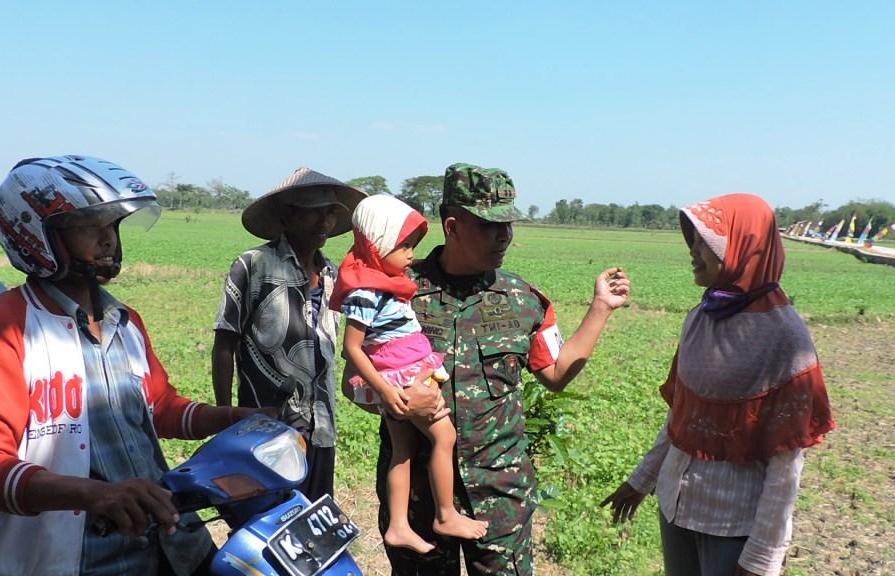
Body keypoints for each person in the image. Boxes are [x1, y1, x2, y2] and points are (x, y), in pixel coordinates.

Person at [0, 155, 264, 576]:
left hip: (171, 542)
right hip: (75, 560)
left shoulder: (123, 321)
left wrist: (235, 418)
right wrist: (93, 494)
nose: (109, 239)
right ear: (38, 235)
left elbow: (159, 409)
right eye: (91, 227)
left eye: (114, 225)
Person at [344, 163, 630, 575]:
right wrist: (403, 401)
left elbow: (557, 373)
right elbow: (352, 382)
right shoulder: (397, 290)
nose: (504, 237)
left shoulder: (523, 300)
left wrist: (601, 307)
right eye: (489, 226)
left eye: (508, 226)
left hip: (499, 499)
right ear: (453, 226)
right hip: (419, 502)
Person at [600, 193, 836, 576]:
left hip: (733, 528)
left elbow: (787, 460)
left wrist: (763, 557)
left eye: (705, 243)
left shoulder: (785, 337)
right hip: (676, 509)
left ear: (747, 245)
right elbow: (682, 418)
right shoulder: (701, 317)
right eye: (691, 241)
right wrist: (642, 480)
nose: (693, 252)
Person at [330, 194, 488, 555]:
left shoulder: (380, 281)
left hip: (399, 370)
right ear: (377, 245)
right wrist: (387, 392)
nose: (411, 255)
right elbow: (352, 348)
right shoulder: (367, 291)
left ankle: (399, 526)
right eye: (403, 247)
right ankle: (446, 514)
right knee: (444, 437)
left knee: (403, 449)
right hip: (398, 375)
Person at [212, 166, 365, 502]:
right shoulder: (253, 266)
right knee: (265, 520)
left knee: (313, 522)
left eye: (329, 214)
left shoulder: (332, 275)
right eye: (313, 214)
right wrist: (225, 416)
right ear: (286, 218)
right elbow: (225, 344)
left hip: (321, 426)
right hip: (267, 425)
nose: (323, 223)